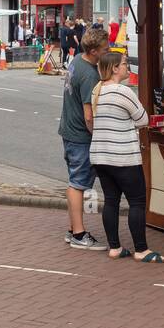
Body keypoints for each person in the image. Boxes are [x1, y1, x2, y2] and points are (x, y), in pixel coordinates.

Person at [90, 49, 163, 262]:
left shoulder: (97, 90)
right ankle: (141, 250)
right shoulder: (123, 91)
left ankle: (115, 247)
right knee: (137, 201)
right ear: (114, 68)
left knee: (111, 200)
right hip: (123, 156)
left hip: (100, 156)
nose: (127, 67)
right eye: (124, 64)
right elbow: (143, 119)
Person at [58, 26, 110, 250]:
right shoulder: (89, 74)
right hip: (80, 135)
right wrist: (98, 135)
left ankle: (73, 230)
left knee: (74, 181)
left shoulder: (77, 60)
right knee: (78, 184)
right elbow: (89, 115)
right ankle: (79, 234)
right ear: (95, 51)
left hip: (68, 130)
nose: (108, 51)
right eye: (105, 48)